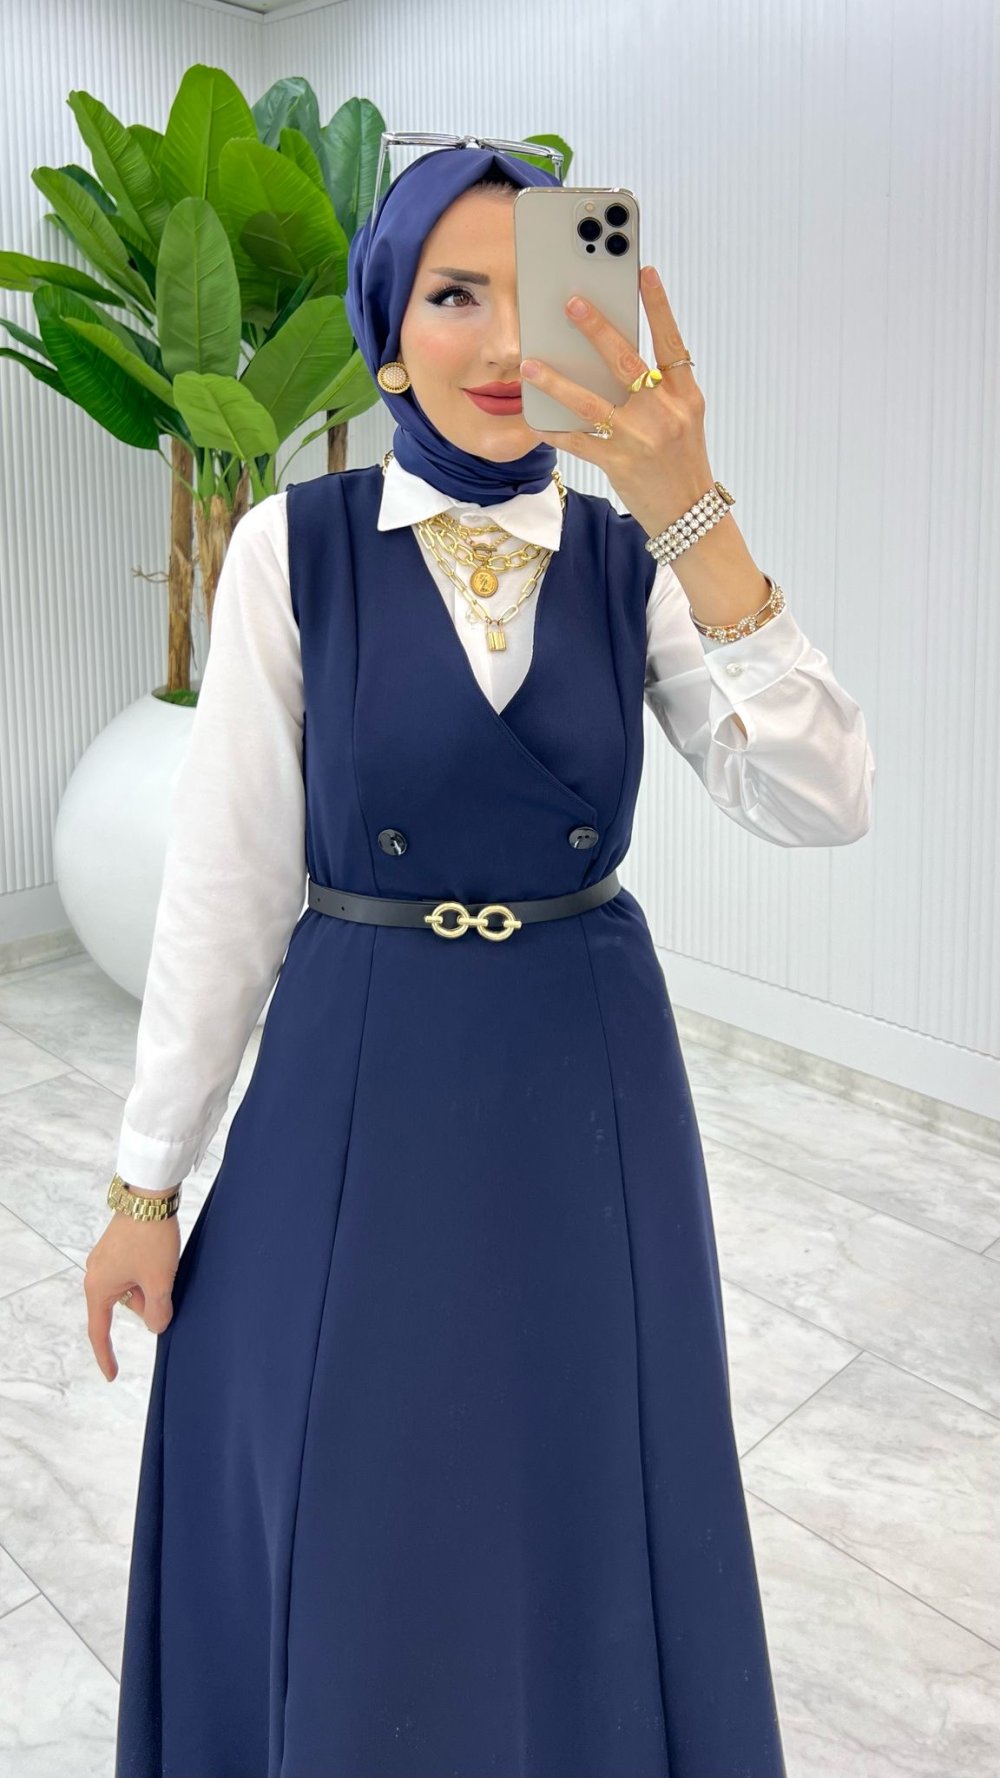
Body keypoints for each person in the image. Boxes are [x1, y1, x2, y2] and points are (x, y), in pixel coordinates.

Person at [87, 139, 874, 1778]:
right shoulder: (290, 550)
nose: (509, 340)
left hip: (583, 1074)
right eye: (457, 294)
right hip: (356, 1059)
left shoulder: (633, 556)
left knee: (578, 1462)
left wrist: (692, 510)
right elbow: (226, 884)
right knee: (348, 1456)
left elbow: (822, 802)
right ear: (385, 333)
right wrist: (146, 1185)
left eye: (543, 289)